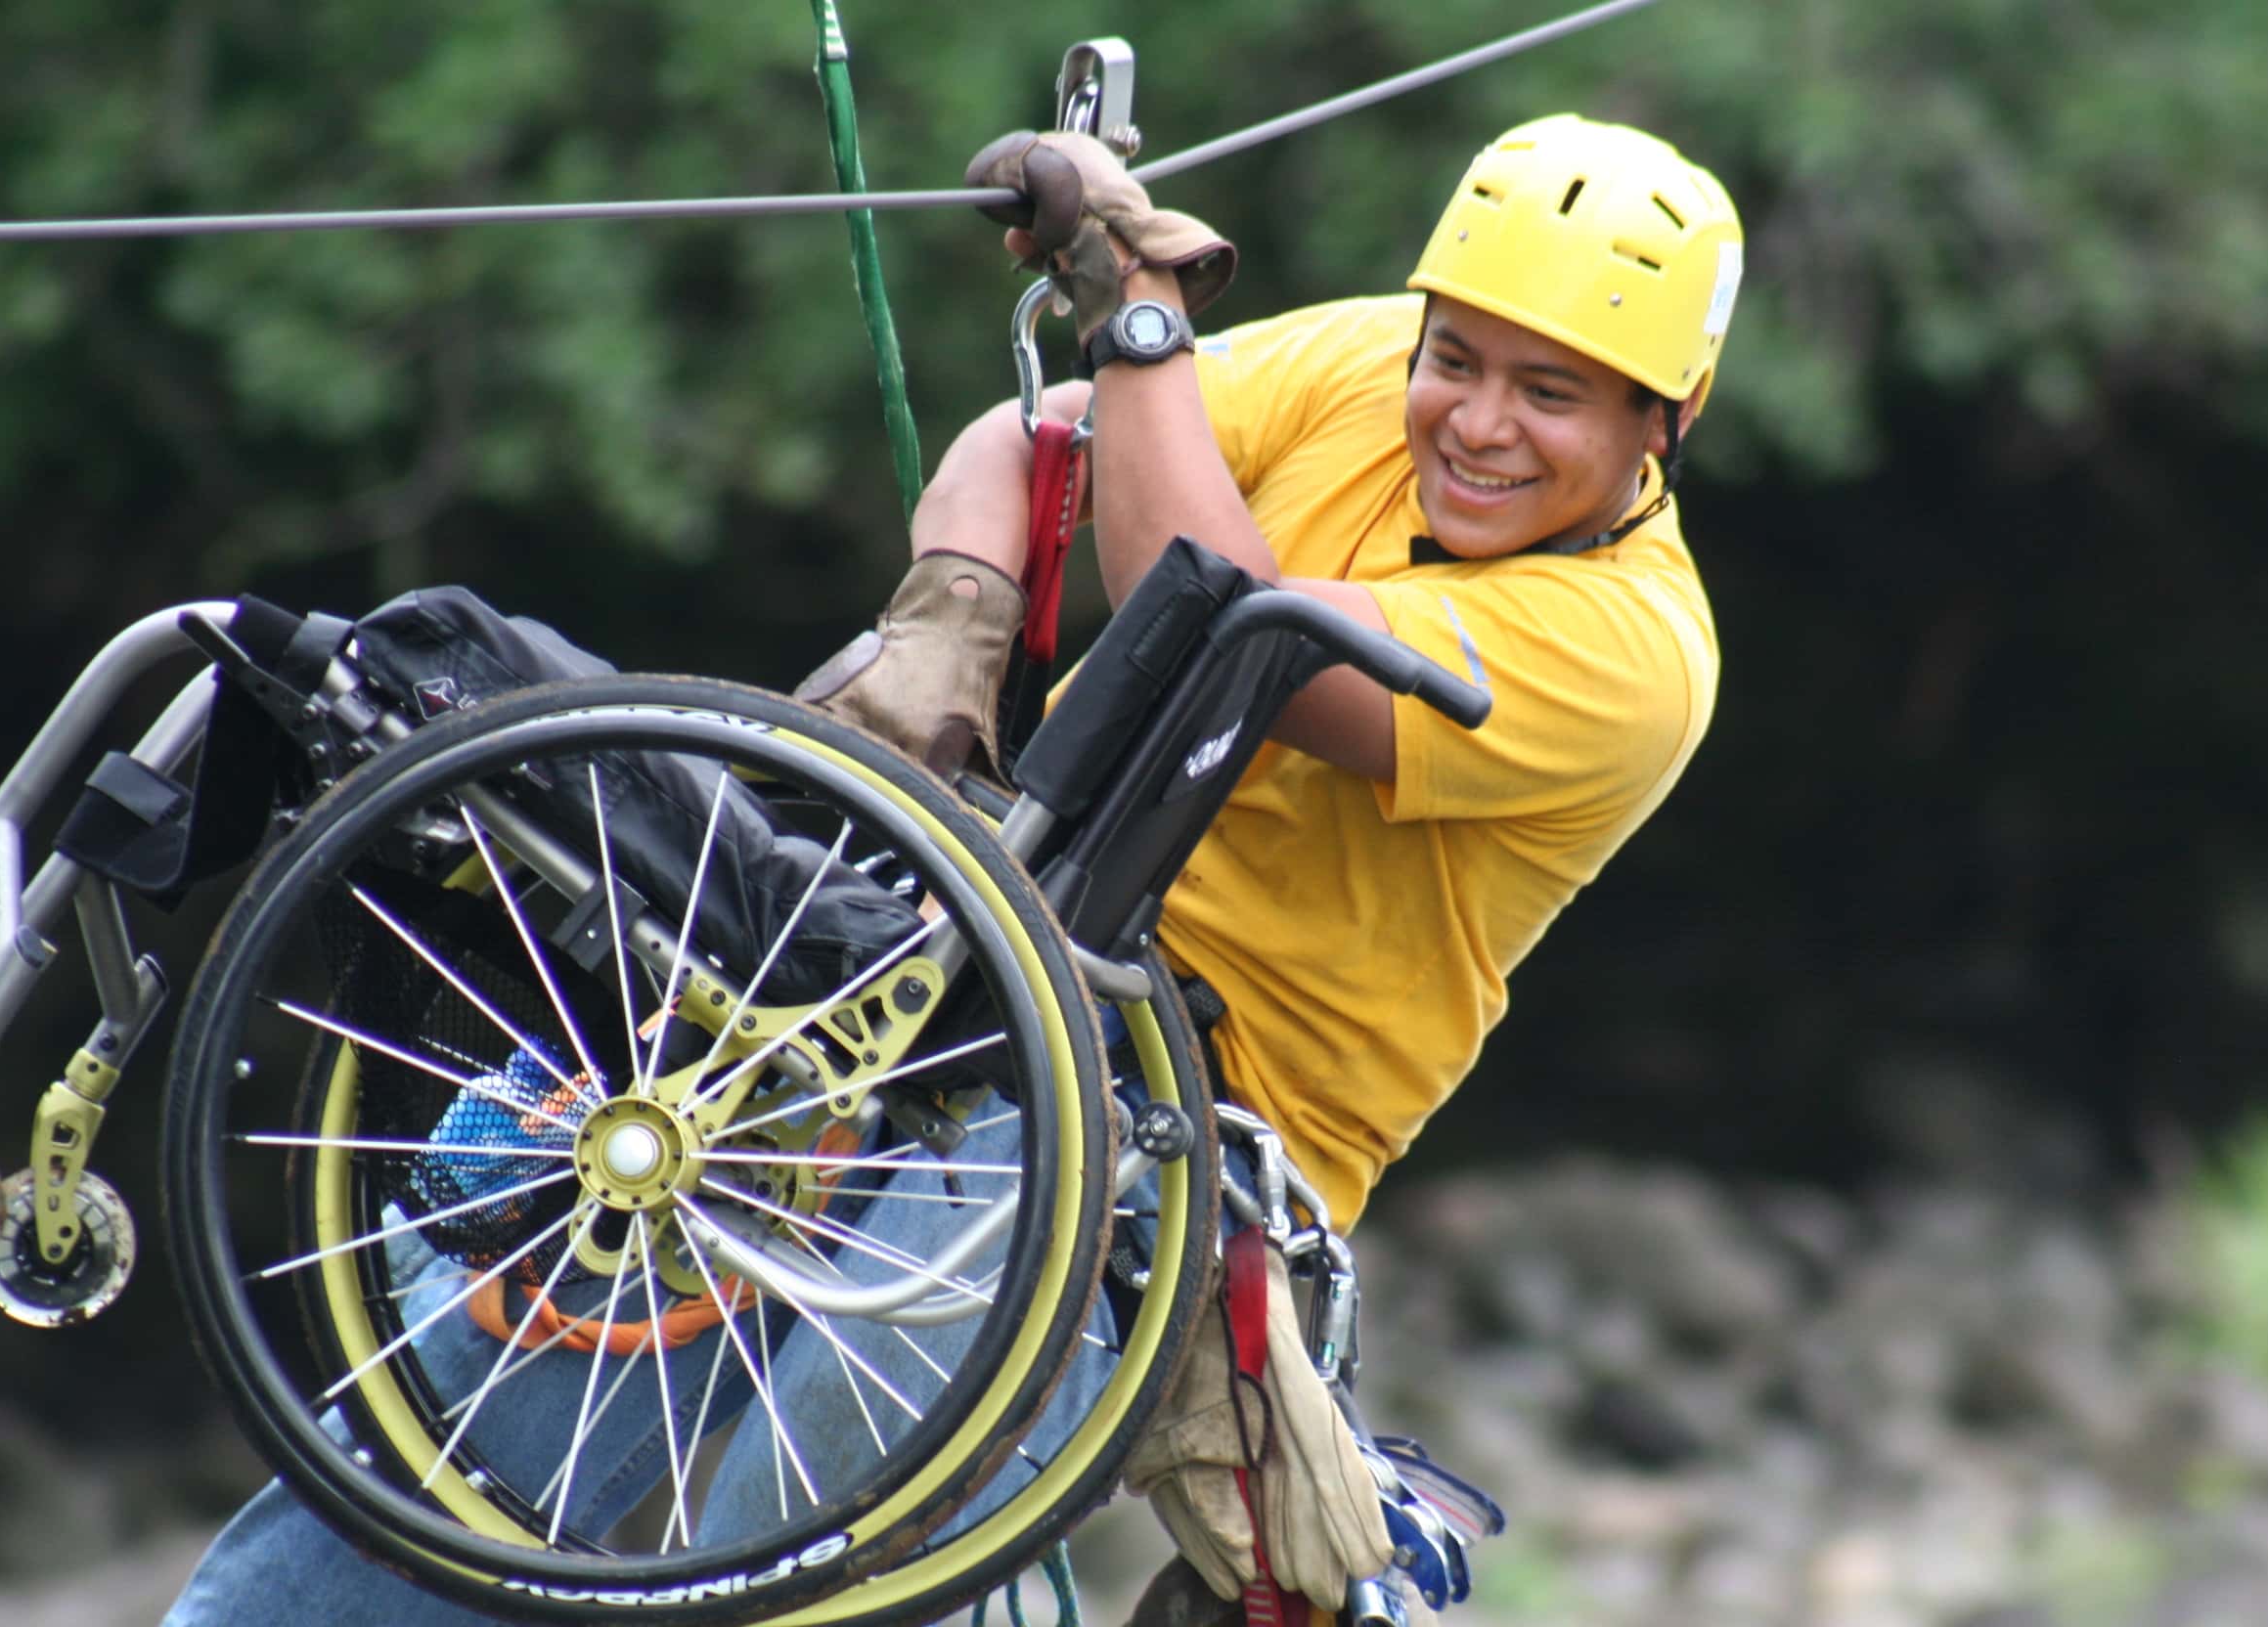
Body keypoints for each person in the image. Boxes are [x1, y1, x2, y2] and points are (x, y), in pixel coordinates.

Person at [166, 111, 1740, 1626]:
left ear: (1664, 422)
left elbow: (1221, 627)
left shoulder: (1634, 661)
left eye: (1551, 394)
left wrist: (1134, 328)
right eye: (1454, 359)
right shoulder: (1359, 369)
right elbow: (1028, 442)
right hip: (913, 988)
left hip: (1143, 1147)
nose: (1474, 419)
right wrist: (951, 634)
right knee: (412, 1477)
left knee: (770, 1586)